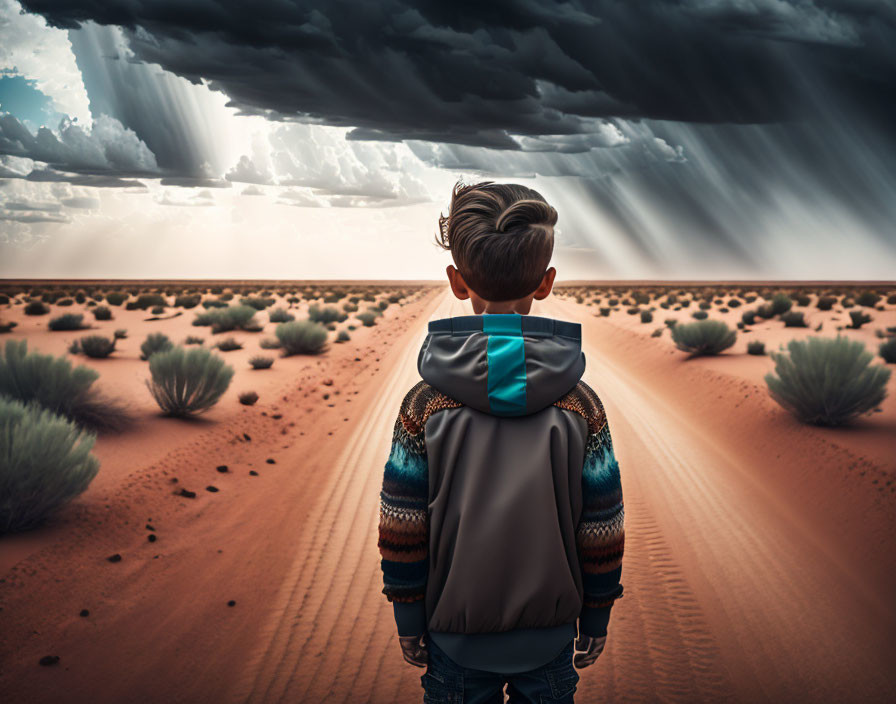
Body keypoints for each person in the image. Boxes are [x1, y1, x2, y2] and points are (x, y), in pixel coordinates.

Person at [377, 180, 625, 703]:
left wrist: (408, 617)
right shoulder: (582, 405)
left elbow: (402, 525)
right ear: (546, 283)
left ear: (457, 281)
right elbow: (602, 526)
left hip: (454, 646)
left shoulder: (423, 405)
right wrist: (596, 616)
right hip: (551, 645)